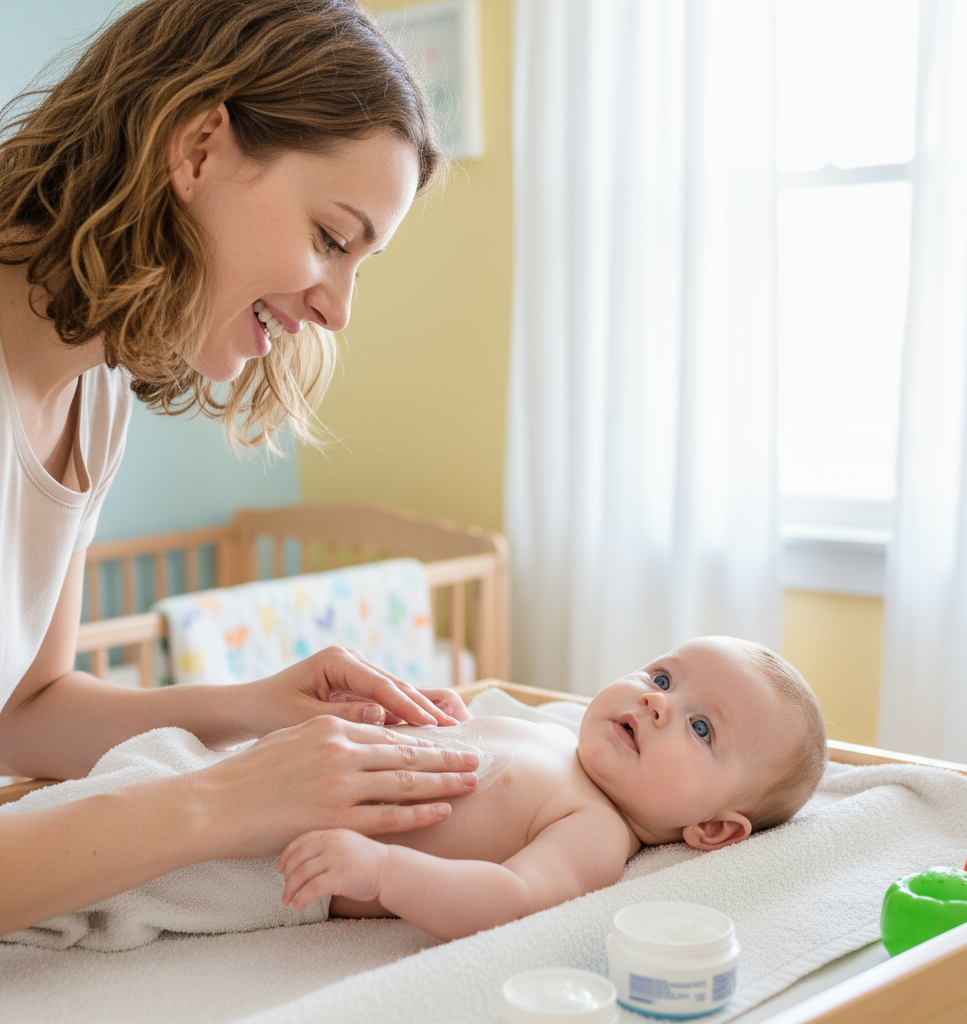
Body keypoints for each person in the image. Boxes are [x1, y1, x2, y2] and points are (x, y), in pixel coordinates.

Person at [0, 0, 482, 939]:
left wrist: (257, 711)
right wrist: (220, 801)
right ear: (198, 148)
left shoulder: (91, 397)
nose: (338, 309)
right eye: (332, 239)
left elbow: (23, 708)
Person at [4, 637, 829, 948]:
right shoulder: (543, 732)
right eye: (662, 675)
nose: (656, 701)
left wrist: (380, 872)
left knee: (117, 890)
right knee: (91, 806)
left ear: (715, 831)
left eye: (699, 728)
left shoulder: (594, 828)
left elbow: (509, 897)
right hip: (227, 775)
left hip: (275, 863)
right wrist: (440, 723)